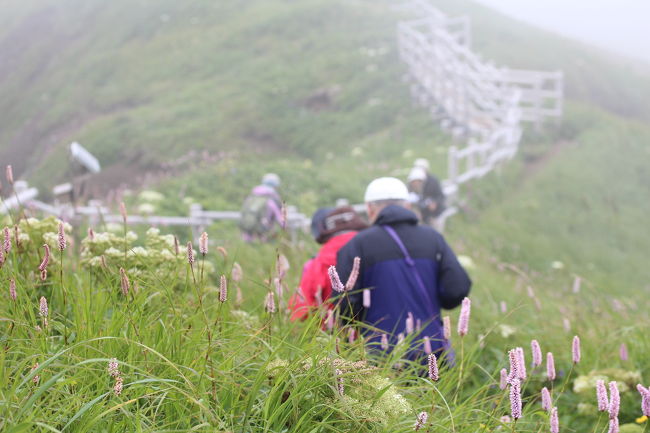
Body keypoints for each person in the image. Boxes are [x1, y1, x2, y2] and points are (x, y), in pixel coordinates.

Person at [335, 177, 471, 361]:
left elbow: (344, 301)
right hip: (431, 348)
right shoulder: (433, 238)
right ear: (407, 205)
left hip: (379, 353)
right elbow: (457, 288)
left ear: (369, 208)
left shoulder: (357, 245)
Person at [289, 206, 368, 321]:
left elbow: (300, 311)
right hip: (380, 331)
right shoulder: (376, 248)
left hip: (332, 333)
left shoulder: (316, 264)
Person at [239, 173, 283, 242]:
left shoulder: (251, 197)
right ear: (275, 185)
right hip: (263, 233)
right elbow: (280, 219)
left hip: (247, 231)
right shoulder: (272, 199)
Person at [409, 158, 446, 224]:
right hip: (421, 216)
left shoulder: (433, 181)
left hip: (435, 214)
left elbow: (441, 196)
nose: (416, 184)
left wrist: (435, 203)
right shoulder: (410, 187)